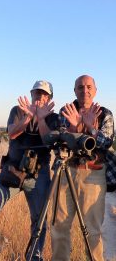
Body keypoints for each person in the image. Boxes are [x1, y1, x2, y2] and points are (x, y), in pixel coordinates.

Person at [0, 80, 59, 261]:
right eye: (37, 93)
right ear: (31, 94)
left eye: (44, 95)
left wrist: (40, 118)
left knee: (39, 220)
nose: (40, 97)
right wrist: (27, 117)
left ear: (49, 98)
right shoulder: (17, 110)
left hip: (38, 175)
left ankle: (34, 257)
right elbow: (12, 133)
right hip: (13, 171)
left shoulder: (52, 118)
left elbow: (49, 141)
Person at [51, 74, 114, 261]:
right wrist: (82, 128)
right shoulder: (66, 110)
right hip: (66, 171)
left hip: (94, 173)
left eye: (88, 87)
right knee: (58, 226)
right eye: (80, 87)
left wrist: (84, 127)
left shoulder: (105, 113)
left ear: (95, 91)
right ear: (74, 91)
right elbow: (61, 141)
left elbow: (105, 141)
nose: (84, 90)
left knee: (92, 230)